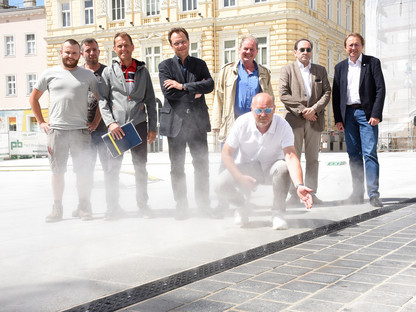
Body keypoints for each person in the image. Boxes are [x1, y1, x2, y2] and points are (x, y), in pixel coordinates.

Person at [215, 93, 313, 230]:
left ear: (273, 109)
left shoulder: (283, 126)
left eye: (267, 110)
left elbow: (291, 156)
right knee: (220, 184)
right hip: (246, 169)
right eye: (258, 110)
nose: (263, 114)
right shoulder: (242, 123)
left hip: (271, 169)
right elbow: (226, 153)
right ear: (252, 110)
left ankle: (278, 213)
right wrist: (239, 177)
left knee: (283, 167)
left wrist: (299, 185)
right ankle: (242, 207)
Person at [29, 39, 99, 222]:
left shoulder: (88, 76)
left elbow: (102, 100)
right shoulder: (49, 74)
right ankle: (57, 208)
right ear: (61, 52)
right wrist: (41, 122)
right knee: (57, 171)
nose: (71, 56)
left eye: (75, 53)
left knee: (83, 171)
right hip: (57, 131)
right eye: (67, 52)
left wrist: (96, 122)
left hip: (81, 131)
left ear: (80, 55)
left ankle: (84, 206)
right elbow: (33, 99)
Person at [212, 35, 274, 215]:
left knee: (249, 163)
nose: (248, 52)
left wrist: (269, 122)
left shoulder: (263, 72)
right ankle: (222, 203)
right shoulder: (227, 71)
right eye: (245, 49)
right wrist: (217, 122)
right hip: (232, 123)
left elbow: (269, 98)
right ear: (239, 50)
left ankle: (245, 203)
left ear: (256, 51)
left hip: (254, 125)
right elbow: (219, 98)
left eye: (252, 49)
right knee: (226, 162)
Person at [99, 32, 157, 219]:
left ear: (132, 47)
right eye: (119, 46)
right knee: (112, 169)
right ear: (115, 49)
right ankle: (112, 208)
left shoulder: (142, 71)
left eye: (126, 45)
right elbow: (103, 100)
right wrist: (111, 123)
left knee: (140, 167)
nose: (123, 49)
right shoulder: (108, 72)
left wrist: (152, 127)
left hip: (139, 125)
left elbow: (150, 101)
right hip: (117, 128)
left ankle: (143, 205)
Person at [158, 27, 214, 220]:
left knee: (202, 165)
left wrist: (182, 86)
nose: (180, 45)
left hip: (197, 123)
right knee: (177, 168)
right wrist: (195, 92)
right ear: (171, 45)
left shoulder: (199, 64)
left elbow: (210, 85)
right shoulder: (165, 66)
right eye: (176, 42)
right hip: (176, 125)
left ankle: (203, 205)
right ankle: (181, 206)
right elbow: (169, 94)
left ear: (188, 41)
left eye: (183, 41)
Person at [332, 33, 386, 208]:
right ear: (345, 48)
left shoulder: (372, 63)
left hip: (366, 114)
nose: (353, 48)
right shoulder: (340, 67)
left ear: (362, 46)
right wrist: (338, 118)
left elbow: (380, 89)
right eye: (350, 45)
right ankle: (357, 193)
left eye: (356, 45)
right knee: (354, 156)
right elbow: (336, 94)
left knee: (369, 153)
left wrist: (376, 114)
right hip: (348, 115)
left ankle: (373, 194)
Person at [279, 38, 331, 205]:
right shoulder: (287, 70)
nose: (305, 53)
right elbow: (283, 94)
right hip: (294, 121)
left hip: (315, 121)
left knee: (313, 160)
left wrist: (314, 109)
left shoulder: (320, 70)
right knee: (292, 158)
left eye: (308, 50)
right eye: (301, 49)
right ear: (295, 52)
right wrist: (303, 111)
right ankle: (294, 195)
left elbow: (327, 92)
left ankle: (312, 193)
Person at [71, 38, 108, 220]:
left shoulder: (107, 71)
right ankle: (84, 207)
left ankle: (112, 206)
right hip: (82, 132)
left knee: (110, 169)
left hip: (105, 130)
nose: (91, 53)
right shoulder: (76, 73)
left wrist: (96, 122)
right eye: (87, 50)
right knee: (84, 171)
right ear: (82, 53)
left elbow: (107, 99)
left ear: (99, 51)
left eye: (94, 49)